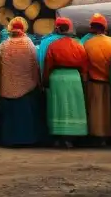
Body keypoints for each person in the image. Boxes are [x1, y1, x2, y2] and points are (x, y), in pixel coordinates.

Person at [43, 16, 89, 147]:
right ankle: (72, 137)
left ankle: (60, 137)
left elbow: (48, 65)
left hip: (57, 77)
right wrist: (84, 82)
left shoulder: (53, 46)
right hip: (74, 77)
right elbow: (84, 66)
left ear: (57, 29)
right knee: (73, 106)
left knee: (59, 107)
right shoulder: (78, 45)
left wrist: (45, 81)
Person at [0, 16, 42, 147]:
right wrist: (37, 82)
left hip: (7, 87)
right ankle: (27, 139)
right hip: (26, 88)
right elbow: (34, 66)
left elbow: (0, 67)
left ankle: (8, 140)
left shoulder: (4, 45)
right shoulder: (29, 44)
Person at [83, 13, 111, 144]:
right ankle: (110, 136)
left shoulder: (87, 44)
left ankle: (96, 137)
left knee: (96, 112)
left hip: (94, 83)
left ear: (92, 28)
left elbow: (85, 66)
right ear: (105, 27)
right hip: (110, 83)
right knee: (109, 111)